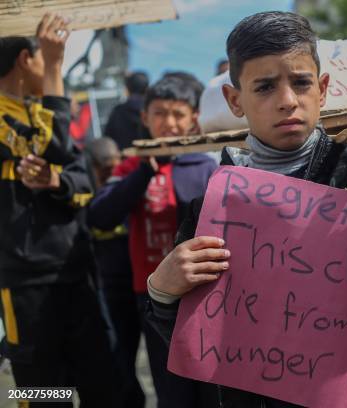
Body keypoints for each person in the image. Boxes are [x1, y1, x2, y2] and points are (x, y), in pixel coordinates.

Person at [146, 11, 347, 407]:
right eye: (264, 87)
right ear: (235, 100)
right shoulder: (212, 204)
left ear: (323, 89)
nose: (287, 101)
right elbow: (188, 336)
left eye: (301, 82)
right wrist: (163, 292)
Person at [0, 14, 121, 406]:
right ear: (24, 59)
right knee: (42, 389)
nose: (53, 65)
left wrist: (57, 183)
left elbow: (81, 179)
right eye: (44, 58)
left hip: (75, 270)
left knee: (100, 378)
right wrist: (55, 66)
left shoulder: (40, 113)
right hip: (25, 282)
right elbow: (51, 145)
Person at [88, 75, 218, 408]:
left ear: (194, 119)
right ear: (145, 118)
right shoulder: (132, 165)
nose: (169, 123)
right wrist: (145, 172)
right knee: (168, 383)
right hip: (150, 294)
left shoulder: (209, 167)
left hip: (203, 294)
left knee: (206, 380)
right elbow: (99, 215)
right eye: (160, 113)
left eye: (178, 114)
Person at [85, 137, 145, 408]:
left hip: (137, 285)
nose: (109, 175)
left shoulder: (126, 187)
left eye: (113, 167)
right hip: (108, 291)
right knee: (118, 361)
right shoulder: (83, 195)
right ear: (92, 167)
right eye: (104, 170)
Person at [105, 71, 149, 150]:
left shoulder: (117, 112)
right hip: (150, 158)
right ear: (147, 88)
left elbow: (108, 139)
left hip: (124, 159)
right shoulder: (152, 112)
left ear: (127, 88)